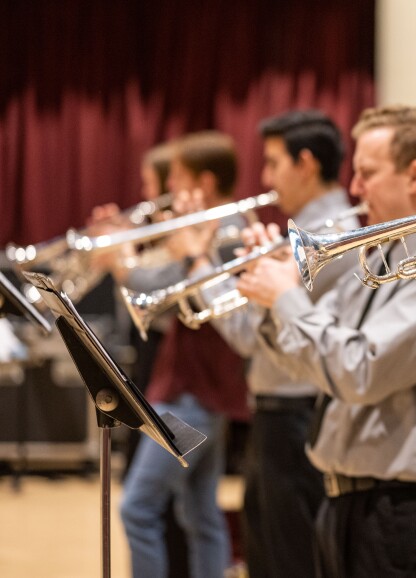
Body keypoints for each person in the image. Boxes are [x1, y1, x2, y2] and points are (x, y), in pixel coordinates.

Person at [236, 105, 416, 577]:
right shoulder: (378, 260)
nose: (354, 189)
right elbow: (310, 362)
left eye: (367, 174)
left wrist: (287, 300)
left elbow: (360, 371)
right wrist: (269, 295)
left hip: (405, 511)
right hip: (349, 502)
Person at [195, 110, 360, 577]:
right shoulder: (298, 233)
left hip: (296, 414)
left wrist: (198, 264)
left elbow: (248, 335)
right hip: (281, 413)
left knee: (286, 558)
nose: (265, 179)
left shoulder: (318, 238)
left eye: (272, 163)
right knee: (269, 551)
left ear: (304, 164)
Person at [118, 130, 250, 578]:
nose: (169, 188)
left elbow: (162, 292)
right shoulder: (214, 229)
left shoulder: (227, 233)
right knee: (201, 513)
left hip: (194, 391)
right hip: (198, 389)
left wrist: (123, 261)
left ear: (205, 183)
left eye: (176, 178)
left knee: (137, 508)